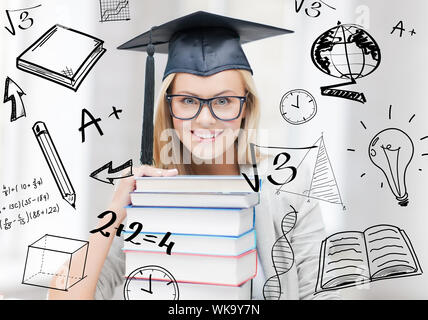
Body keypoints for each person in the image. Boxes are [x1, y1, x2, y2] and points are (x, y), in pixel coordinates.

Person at [48, 11, 339, 300]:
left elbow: (325, 293)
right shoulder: (148, 198)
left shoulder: (288, 188)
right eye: (188, 101)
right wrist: (114, 213)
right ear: (168, 108)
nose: (205, 119)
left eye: (223, 101)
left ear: (246, 108)